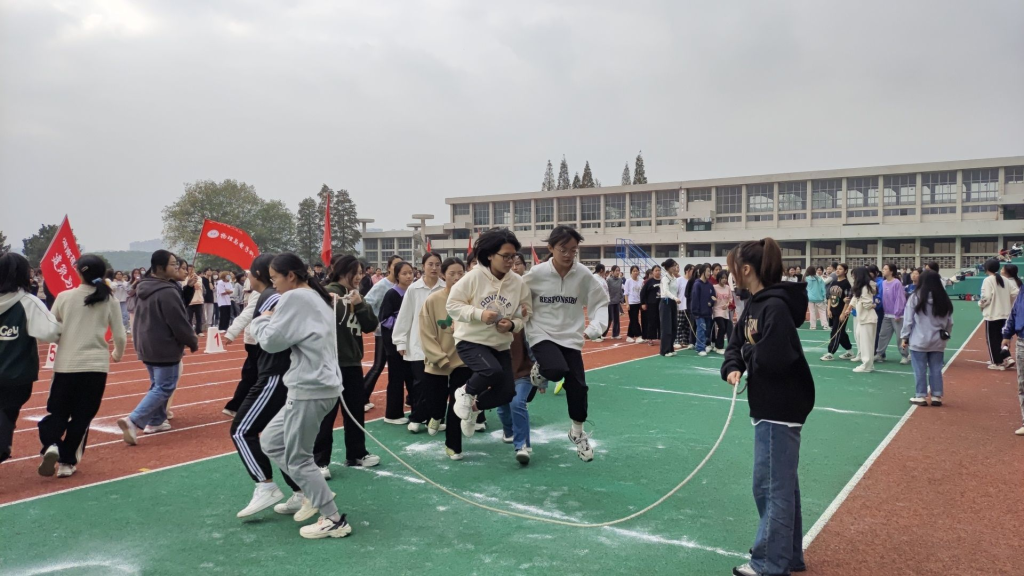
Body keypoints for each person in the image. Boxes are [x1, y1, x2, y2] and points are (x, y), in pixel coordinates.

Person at [721, 238, 814, 576]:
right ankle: (788, 555)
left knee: (771, 486)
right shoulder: (754, 305)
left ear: (746, 270)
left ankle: (769, 563)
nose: (731, 274)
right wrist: (733, 365)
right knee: (781, 484)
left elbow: (772, 357)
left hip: (781, 406)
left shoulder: (774, 307)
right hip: (769, 405)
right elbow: (737, 343)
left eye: (734, 268)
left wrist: (746, 355)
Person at [247, 253, 352, 539]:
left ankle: (333, 519)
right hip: (316, 385)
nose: (273, 285)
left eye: (275, 278)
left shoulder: (296, 298)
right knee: (271, 440)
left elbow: (271, 342)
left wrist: (261, 320)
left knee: (299, 459)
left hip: (310, 388)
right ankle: (311, 492)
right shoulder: (316, 296)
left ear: (290, 276)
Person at [37, 255, 127, 478]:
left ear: (78, 272)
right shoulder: (109, 300)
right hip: (95, 366)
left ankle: (52, 443)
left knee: (58, 412)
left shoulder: (64, 297)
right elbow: (120, 335)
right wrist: (117, 354)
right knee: (82, 416)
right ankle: (67, 463)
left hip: (66, 365)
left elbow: (50, 330)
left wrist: (62, 337)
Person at [523, 225, 607, 462]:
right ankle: (540, 370)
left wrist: (594, 328)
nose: (569, 255)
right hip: (541, 333)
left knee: (578, 387)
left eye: (573, 250)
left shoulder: (583, 275)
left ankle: (577, 433)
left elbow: (600, 302)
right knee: (556, 369)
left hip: (571, 336)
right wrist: (518, 313)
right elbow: (517, 294)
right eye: (563, 249)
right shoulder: (537, 274)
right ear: (550, 248)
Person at [448, 228, 532, 439]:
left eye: (513, 256)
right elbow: (452, 305)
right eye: (506, 256)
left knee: (506, 393)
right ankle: (464, 392)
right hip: (471, 340)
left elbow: (526, 314)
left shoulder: (518, 283)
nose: (511, 261)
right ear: (490, 255)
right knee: (491, 371)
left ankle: (473, 410)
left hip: (500, 343)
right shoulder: (474, 277)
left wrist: (511, 325)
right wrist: (479, 314)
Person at [116, 251, 199, 443]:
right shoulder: (167, 291)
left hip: (146, 343)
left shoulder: (145, 286)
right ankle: (133, 420)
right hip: (163, 344)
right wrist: (191, 340)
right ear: (160, 267)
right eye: (173, 264)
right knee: (165, 386)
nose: (176, 268)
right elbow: (178, 321)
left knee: (157, 384)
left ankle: (156, 421)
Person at [316, 255, 382, 477]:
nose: (360, 277)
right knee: (326, 414)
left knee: (354, 410)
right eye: (357, 272)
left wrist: (360, 304)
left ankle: (356, 453)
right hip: (330, 362)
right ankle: (319, 461)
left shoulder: (356, 295)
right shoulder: (326, 293)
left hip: (352, 362)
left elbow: (371, 325)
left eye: (362, 272)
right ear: (344, 272)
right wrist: (328, 302)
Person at [0, 253, 61, 464]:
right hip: (18, 372)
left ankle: (4, 444)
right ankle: (2, 446)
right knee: (7, 410)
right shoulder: (28, 302)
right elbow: (50, 332)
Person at [419, 257, 470, 459]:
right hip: (438, 360)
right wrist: (439, 358)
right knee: (435, 402)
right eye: (452, 273)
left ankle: (453, 446)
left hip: (463, 361)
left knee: (457, 404)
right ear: (443, 275)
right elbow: (426, 332)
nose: (457, 277)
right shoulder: (433, 300)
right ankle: (435, 416)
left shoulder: (470, 300)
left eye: (460, 273)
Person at [392, 251, 446, 433]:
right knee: (420, 383)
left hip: (440, 345)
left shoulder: (445, 288)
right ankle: (416, 417)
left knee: (438, 384)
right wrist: (400, 341)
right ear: (423, 266)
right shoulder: (414, 289)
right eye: (430, 264)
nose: (434, 268)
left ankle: (435, 418)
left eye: (437, 264)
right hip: (418, 344)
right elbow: (405, 316)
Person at [496, 254, 537, 464]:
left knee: (517, 403)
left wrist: (541, 374)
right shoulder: (493, 317)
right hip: (501, 372)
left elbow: (536, 345)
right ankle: (509, 430)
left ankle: (522, 445)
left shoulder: (526, 319)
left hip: (523, 371)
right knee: (502, 407)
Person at [899, 270, 954, 408]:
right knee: (936, 368)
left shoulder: (915, 297)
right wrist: (946, 334)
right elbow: (950, 322)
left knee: (920, 369)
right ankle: (936, 395)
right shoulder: (944, 298)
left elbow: (908, 320)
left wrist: (905, 337)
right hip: (938, 340)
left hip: (919, 339)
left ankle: (921, 395)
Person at [223, 264, 266, 418]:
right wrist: (232, 333)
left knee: (254, 374)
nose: (247, 279)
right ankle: (237, 406)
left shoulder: (266, 291)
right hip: (256, 340)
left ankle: (239, 406)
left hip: (259, 338)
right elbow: (247, 313)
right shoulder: (261, 293)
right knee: (254, 375)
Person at [378, 261, 416, 424]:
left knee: (413, 377)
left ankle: (417, 412)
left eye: (410, 273)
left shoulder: (414, 292)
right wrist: (403, 323)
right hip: (395, 345)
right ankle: (393, 415)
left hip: (412, 342)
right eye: (404, 273)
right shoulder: (392, 294)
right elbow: (384, 319)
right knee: (396, 379)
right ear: (397, 276)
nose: (408, 276)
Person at [362, 255, 401, 412]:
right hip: (383, 332)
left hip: (398, 332)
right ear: (389, 267)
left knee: (400, 367)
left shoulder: (402, 285)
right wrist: (377, 321)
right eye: (395, 265)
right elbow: (367, 302)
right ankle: (361, 397)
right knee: (378, 365)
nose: (398, 268)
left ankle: (410, 399)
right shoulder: (382, 285)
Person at [980, 258, 1019, 370]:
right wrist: (1007, 303)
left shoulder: (988, 280)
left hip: (993, 314)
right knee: (1002, 337)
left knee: (993, 339)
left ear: (987, 268)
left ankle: (997, 362)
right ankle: (1007, 357)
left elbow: (986, 297)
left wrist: (981, 304)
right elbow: (1015, 293)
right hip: (1005, 314)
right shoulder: (1005, 279)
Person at [999, 265, 1024, 435]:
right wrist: (1007, 334)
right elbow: (1015, 312)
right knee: (1022, 384)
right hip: (1022, 341)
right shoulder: (1023, 291)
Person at [875, 263, 910, 365]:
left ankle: (905, 355)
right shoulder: (883, 283)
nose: (883, 270)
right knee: (883, 335)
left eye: (886, 269)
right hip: (887, 314)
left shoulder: (896, 283)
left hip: (897, 316)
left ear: (891, 271)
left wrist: (897, 313)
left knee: (900, 337)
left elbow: (900, 298)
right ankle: (879, 354)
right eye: (883, 268)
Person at [820, 263, 854, 361]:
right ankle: (850, 351)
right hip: (833, 311)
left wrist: (843, 313)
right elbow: (830, 297)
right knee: (841, 332)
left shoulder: (846, 284)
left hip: (841, 312)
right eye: (837, 269)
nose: (837, 271)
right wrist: (828, 309)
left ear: (845, 271)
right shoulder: (834, 282)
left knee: (835, 332)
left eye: (840, 269)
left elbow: (848, 300)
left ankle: (830, 353)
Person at [848, 266, 878, 373]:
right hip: (863, 318)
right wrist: (849, 307)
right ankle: (868, 364)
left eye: (854, 275)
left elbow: (867, 304)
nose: (853, 277)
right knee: (861, 339)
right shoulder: (862, 287)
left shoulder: (865, 287)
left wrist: (873, 305)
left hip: (867, 318)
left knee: (866, 343)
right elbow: (855, 298)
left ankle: (867, 365)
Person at [689, 264, 715, 356]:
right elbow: (694, 298)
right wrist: (695, 312)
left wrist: (711, 302)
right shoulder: (697, 284)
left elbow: (713, 296)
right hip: (699, 313)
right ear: (702, 272)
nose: (709, 273)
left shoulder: (710, 285)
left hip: (708, 312)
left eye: (710, 271)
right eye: (708, 271)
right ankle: (700, 348)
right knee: (701, 329)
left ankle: (701, 345)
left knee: (707, 330)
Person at [658, 259, 680, 357]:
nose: (675, 268)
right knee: (666, 327)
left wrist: (676, 300)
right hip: (666, 302)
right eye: (673, 266)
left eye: (675, 266)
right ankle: (664, 350)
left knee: (674, 326)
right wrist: (675, 298)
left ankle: (670, 348)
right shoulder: (665, 278)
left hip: (673, 303)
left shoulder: (674, 278)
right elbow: (666, 291)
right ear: (668, 267)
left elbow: (675, 290)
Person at [711, 270, 734, 353]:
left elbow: (730, 299)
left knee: (727, 327)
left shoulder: (727, 287)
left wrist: (727, 305)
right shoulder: (714, 287)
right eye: (723, 278)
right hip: (717, 310)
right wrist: (713, 299)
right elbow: (711, 296)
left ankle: (721, 344)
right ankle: (719, 347)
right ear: (719, 278)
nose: (724, 280)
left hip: (725, 311)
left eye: (725, 278)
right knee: (722, 327)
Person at [639, 265, 662, 345]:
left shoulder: (663, 281)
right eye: (656, 270)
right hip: (651, 304)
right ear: (653, 272)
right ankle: (650, 338)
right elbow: (642, 293)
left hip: (661, 304)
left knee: (661, 321)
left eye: (659, 270)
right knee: (651, 321)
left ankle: (661, 337)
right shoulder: (649, 282)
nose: (658, 272)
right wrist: (643, 303)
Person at [675, 264, 694, 350]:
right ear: (687, 270)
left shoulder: (693, 281)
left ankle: (686, 340)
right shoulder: (679, 280)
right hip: (681, 305)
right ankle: (677, 340)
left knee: (688, 325)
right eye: (692, 270)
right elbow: (675, 292)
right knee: (680, 324)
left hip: (689, 306)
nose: (694, 272)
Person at [624, 265, 644, 343]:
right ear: (631, 272)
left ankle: (629, 336)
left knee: (633, 320)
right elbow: (626, 293)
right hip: (631, 303)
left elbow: (641, 292)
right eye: (634, 271)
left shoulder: (641, 281)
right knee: (634, 319)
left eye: (637, 271)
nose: (635, 272)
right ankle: (638, 335)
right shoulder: (628, 281)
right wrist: (627, 304)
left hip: (638, 302)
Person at [604, 265, 624, 340]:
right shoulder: (608, 280)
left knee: (616, 319)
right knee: (609, 319)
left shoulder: (620, 280)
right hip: (610, 302)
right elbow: (606, 290)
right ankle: (603, 334)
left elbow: (620, 290)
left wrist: (621, 298)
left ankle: (615, 334)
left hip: (617, 302)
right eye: (616, 271)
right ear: (612, 272)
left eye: (619, 270)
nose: (618, 272)